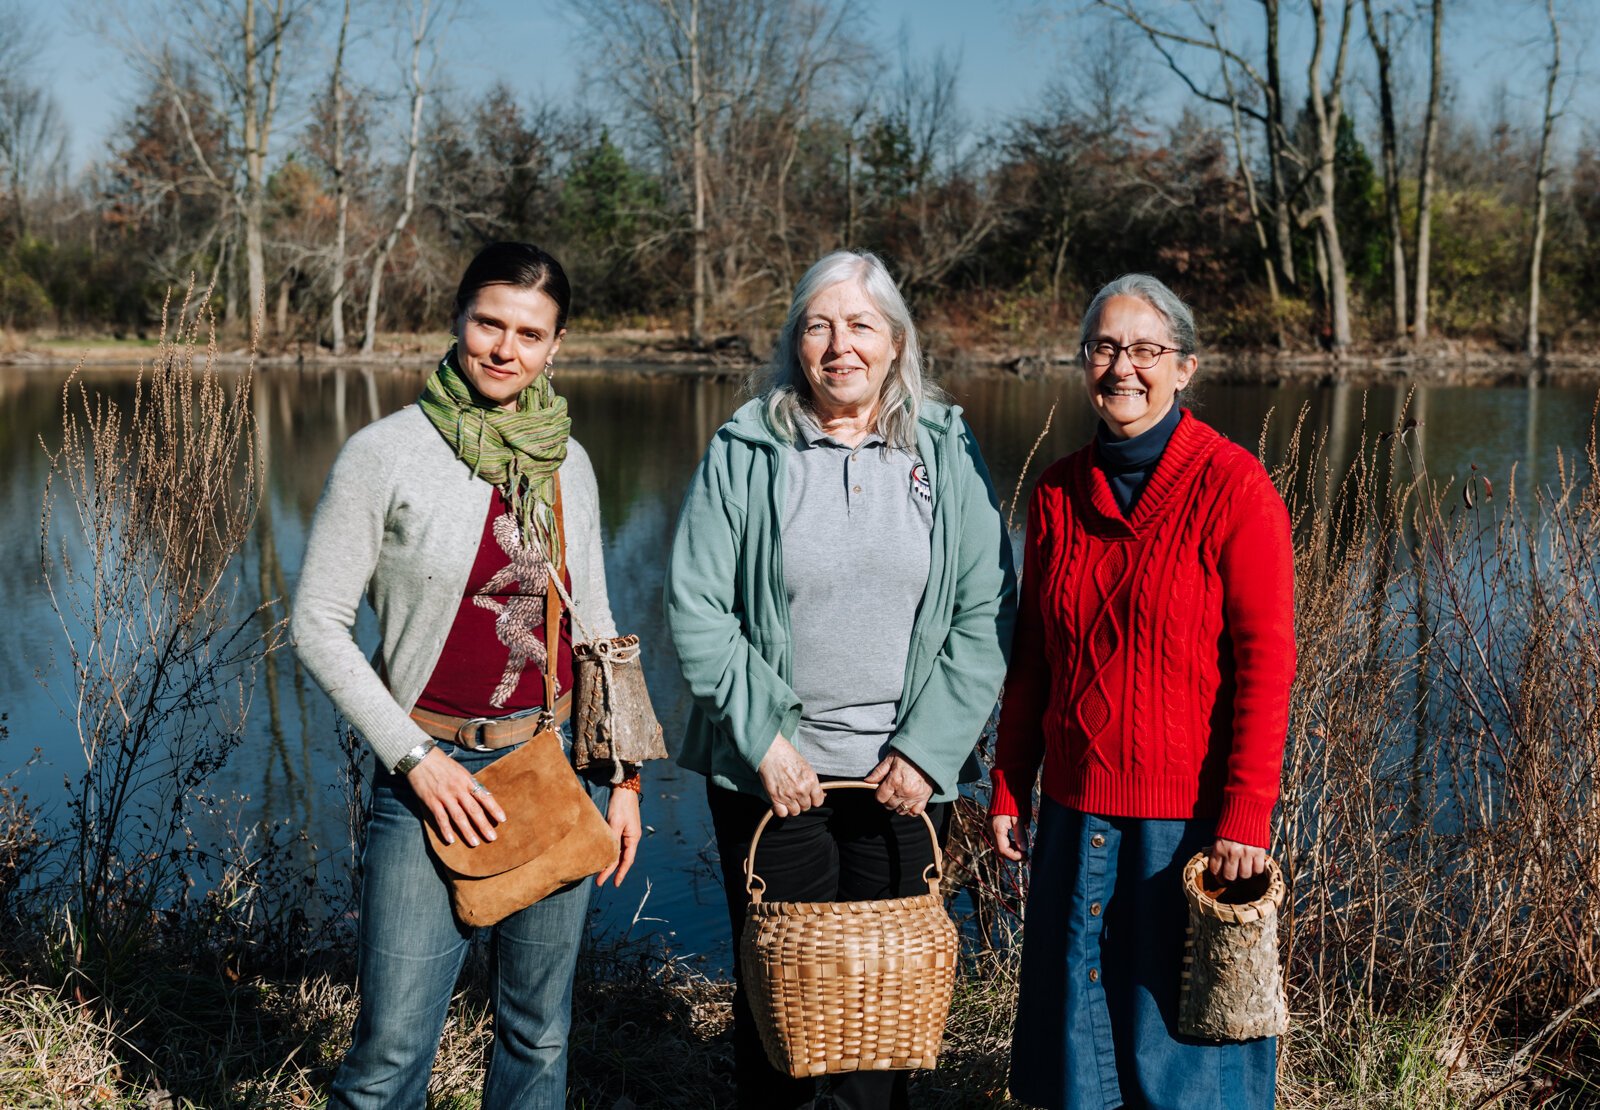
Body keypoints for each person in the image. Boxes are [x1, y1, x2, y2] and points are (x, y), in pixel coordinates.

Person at [291, 242, 643, 1109]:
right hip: (430, 782)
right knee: (388, 1058)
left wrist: (624, 776)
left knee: (539, 1033)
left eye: (530, 333)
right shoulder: (387, 454)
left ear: (555, 347)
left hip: (552, 770)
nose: (504, 349)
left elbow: (595, 629)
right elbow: (316, 625)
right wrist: (416, 760)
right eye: (490, 322)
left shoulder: (569, 463)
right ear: (459, 319)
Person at [665, 249, 1016, 1109]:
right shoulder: (748, 447)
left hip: (903, 785)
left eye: (860, 324)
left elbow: (987, 610)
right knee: (782, 1012)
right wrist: (765, 744)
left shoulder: (947, 445)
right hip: (776, 778)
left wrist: (930, 753)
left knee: (882, 1014)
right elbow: (698, 608)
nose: (839, 345)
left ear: (895, 341)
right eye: (817, 326)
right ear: (794, 343)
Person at [987, 273, 1296, 1110]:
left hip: (1185, 825)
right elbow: (1033, 661)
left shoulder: (1233, 487)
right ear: (1084, 361)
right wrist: (1010, 781)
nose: (1123, 368)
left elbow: (1268, 664)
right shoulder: (1054, 492)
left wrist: (1245, 815)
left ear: (1185, 367)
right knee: (1081, 1055)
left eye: (1146, 350)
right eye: (1104, 348)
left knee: (1186, 1055)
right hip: (1079, 813)